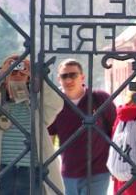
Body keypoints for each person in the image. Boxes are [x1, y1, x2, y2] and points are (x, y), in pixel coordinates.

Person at [0, 54, 64, 194]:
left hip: (32, 173)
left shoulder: (35, 106)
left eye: (22, 71)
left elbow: (57, 104)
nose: (17, 74)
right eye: (13, 70)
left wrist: (37, 78)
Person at [47, 58, 117, 195]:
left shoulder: (99, 98)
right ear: (58, 79)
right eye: (64, 76)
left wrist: (115, 163)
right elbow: (49, 137)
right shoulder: (55, 103)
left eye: (73, 75)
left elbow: (114, 131)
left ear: (82, 77)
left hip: (98, 171)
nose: (68, 80)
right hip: (68, 173)